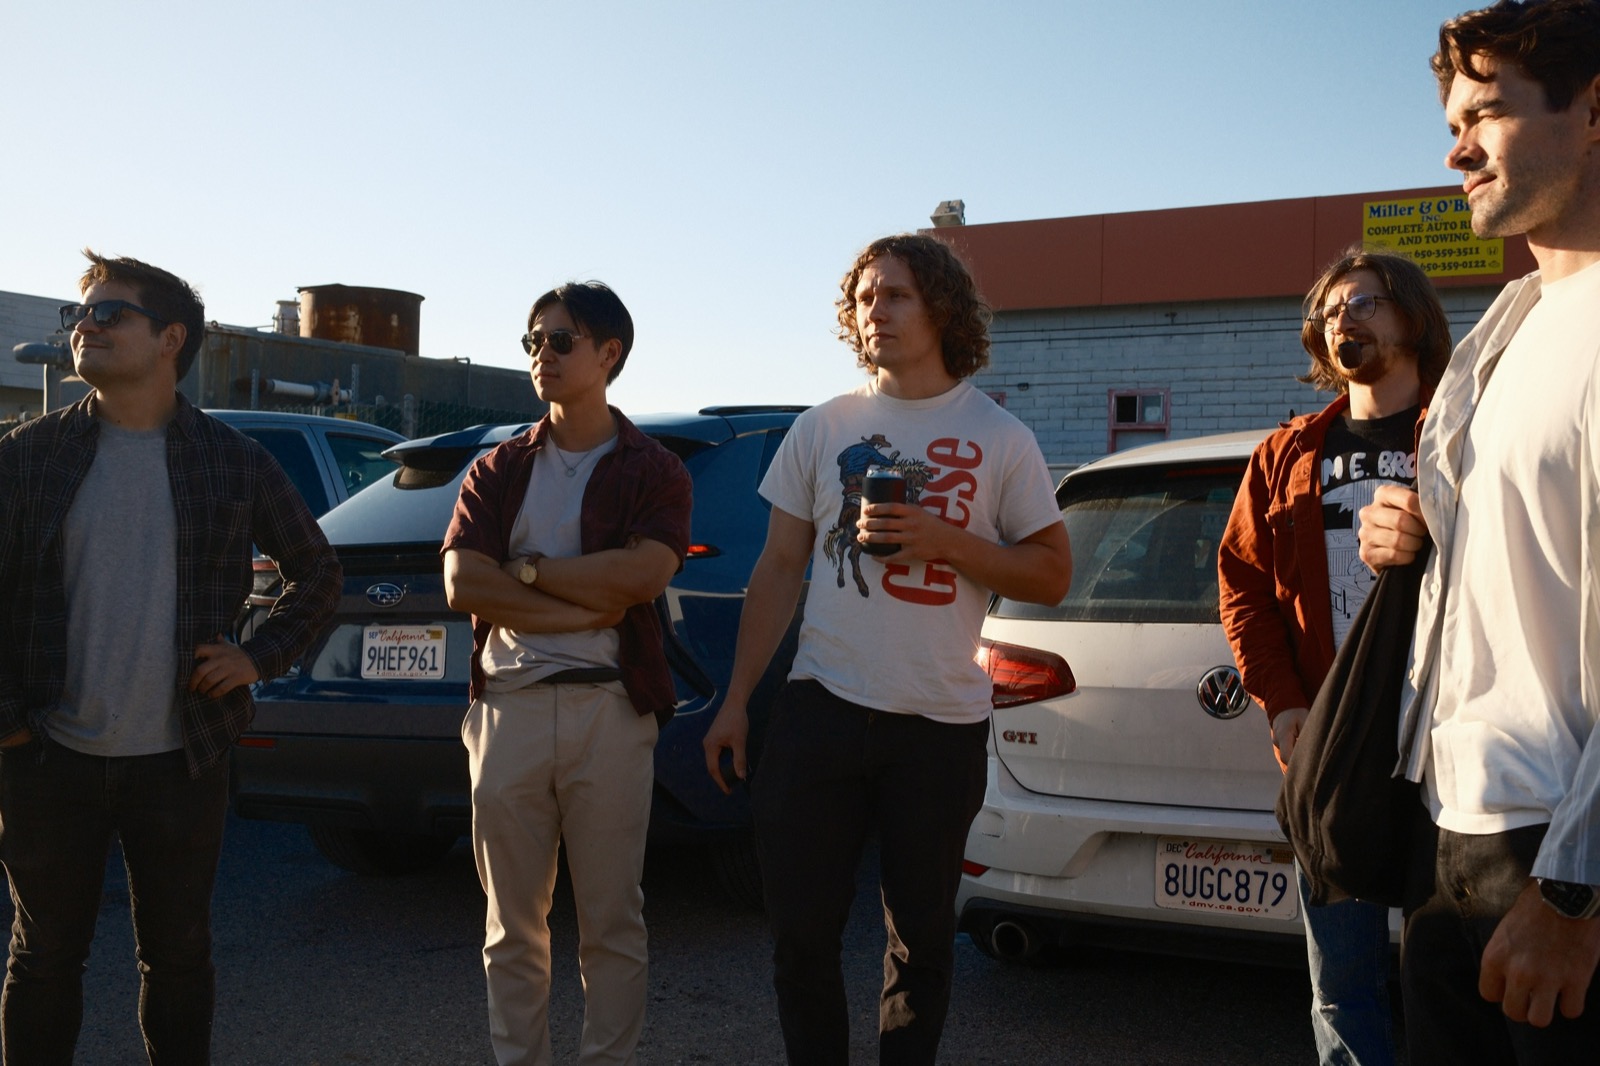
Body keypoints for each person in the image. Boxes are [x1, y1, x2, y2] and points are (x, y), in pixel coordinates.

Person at [702, 234, 1072, 1064]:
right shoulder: (822, 426)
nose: (878, 310)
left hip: (937, 725)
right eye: (866, 297)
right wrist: (734, 702)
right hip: (819, 711)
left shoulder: (999, 435)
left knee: (924, 947)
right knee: (799, 938)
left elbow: (1051, 572)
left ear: (941, 307)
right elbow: (778, 569)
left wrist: (947, 541)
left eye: (897, 294)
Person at [0, 251, 341, 1064]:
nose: (85, 326)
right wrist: (8, 725)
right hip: (47, 753)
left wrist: (259, 657)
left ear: (170, 339)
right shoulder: (24, 457)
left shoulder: (231, 458)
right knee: (44, 960)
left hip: (181, 755)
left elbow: (318, 571)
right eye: (78, 315)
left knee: (179, 959)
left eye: (109, 313)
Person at [1356, 1, 1600, 1062]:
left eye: (1487, 112)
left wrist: (1576, 889)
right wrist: (1408, 540)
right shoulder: (1500, 332)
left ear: (1592, 112)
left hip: (1558, 848)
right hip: (1449, 826)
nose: (1455, 145)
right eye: (1453, 116)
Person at [442, 281, 692, 1066]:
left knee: (612, 922)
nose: (541, 356)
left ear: (608, 355)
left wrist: (524, 573)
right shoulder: (498, 468)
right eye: (532, 342)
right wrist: (571, 598)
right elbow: (462, 585)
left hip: (609, 711)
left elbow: (644, 576)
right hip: (507, 710)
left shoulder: (653, 469)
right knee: (511, 927)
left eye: (560, 341)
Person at [1218, 249, 1452, 1064]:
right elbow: (1243, 585)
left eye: (1365, 302)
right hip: (1335, 743)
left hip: (1449, 744)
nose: (1342, 318)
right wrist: (1283, 706)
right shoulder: (1287, 456)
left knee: (1450, 974)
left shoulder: (1462, 429)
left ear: (1414, 316)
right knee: (1342, 983)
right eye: (1329, 312)